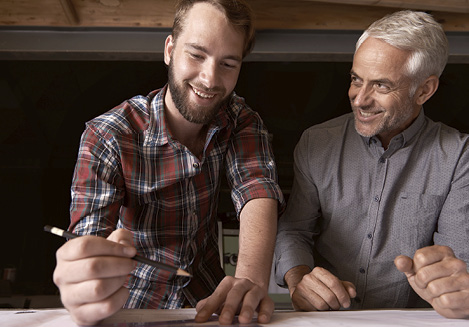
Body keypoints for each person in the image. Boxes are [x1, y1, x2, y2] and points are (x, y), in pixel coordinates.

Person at [52, 0, 285, 325]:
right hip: (132, 305)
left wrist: (250, 281)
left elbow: (257, 189)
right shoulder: (108, 136)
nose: (210, 79)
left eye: (228, 64)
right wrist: (88, 276)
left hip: (211, 302)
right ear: (169, 50)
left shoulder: (241, 121)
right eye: (196, 55)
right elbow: (89, 239)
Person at [274, 10, 469, 319]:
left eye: (381, 86)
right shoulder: (315, 143)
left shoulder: (459, 157)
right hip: (327, 319)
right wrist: (300, 280)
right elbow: (295, 229)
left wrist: (453, 291)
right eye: (356, 79)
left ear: (424, 90)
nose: (359, 99)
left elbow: (459, 262)